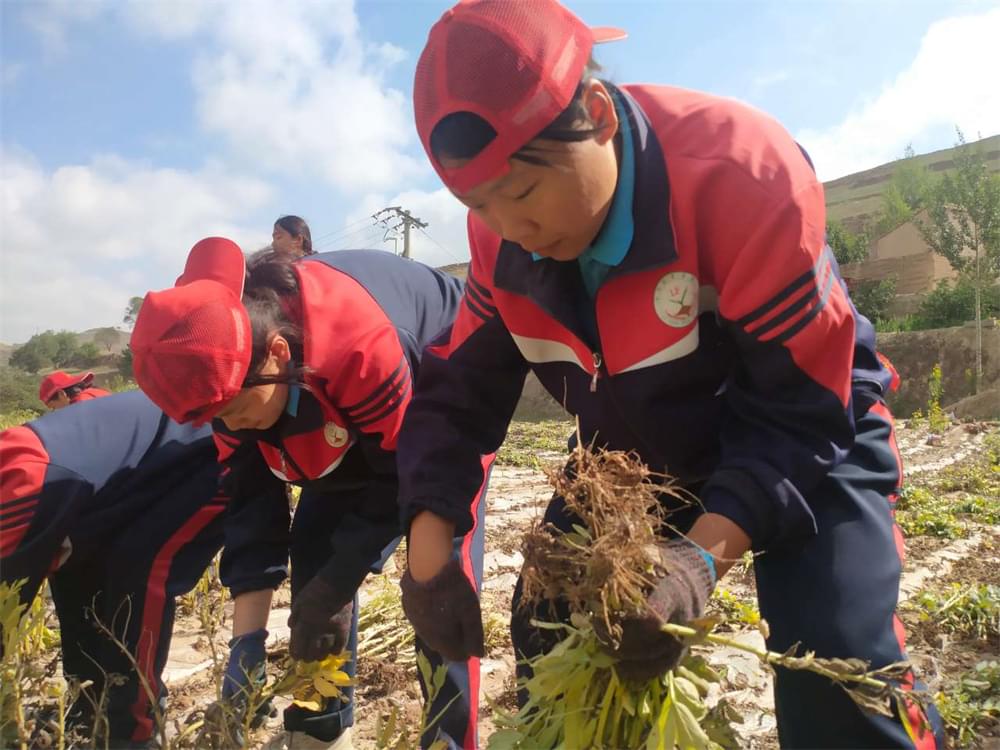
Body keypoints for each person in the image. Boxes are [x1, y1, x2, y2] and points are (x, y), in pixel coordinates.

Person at [395, 1, 944, 748]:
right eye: (477, 205)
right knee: (551, 626)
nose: (509, 227)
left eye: (522, 192)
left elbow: (799, 409)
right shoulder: (501, 240)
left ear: (597, 116)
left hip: (808, 433)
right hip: (640, 462)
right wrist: (428, 556)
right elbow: (459, 397)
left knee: (837, 666)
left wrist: (697, 561)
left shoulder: (741, 177)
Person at [130, 238, 487, 749]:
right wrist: (246, 642)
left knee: (437, 572)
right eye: (218, 418)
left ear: (277, 353)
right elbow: (253, 505)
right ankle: (321, 726)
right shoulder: (230, 374)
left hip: (438, 374)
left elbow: (402, 474)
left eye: (234, 408)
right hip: (331, 394)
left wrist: (339, 583)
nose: (232, 424)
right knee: (316, 548)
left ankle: (451, 739)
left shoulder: (355, 341)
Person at [0, 391, 226, 749]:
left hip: (208, 457)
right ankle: (89, 712)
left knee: (141, 572)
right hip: (115, 478)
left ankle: (132, 731)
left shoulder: (18, 485)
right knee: (76, 572)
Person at [38, 371, 111, 410]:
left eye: (53, 407)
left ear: (61, 394)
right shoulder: (98, 391)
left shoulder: (79, 406)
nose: (56, 412)